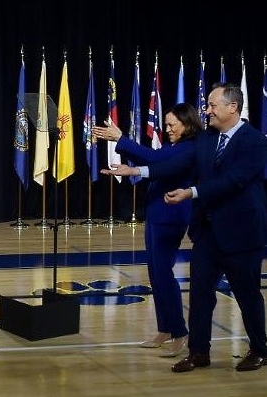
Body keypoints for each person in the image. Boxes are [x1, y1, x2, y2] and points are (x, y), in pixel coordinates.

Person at [101, 82, 267, 373]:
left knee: (247, 294)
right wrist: (136, 170)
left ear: (233, 107)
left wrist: (192, 192)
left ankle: (260, 348)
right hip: (207, 232)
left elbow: (234, 181)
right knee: (200, 293)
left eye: (213, 105)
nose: (207, 110)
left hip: (241, 233)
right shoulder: (206, 139)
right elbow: (173, 165)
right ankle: (198, 352)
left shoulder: (254, 141)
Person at [92, 103, 200, 358]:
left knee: (163, 274)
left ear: (188, 124)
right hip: (155, 214)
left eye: (173, 124)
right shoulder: (174, 145)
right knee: (155, 273)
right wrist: (128, 155)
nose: (168, 128)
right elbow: (152, 159)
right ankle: (164, 328)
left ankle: (179, 332)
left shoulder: (190, 148)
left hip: (171, 217)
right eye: (167, 123)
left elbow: (157, 161)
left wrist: (122, 140)